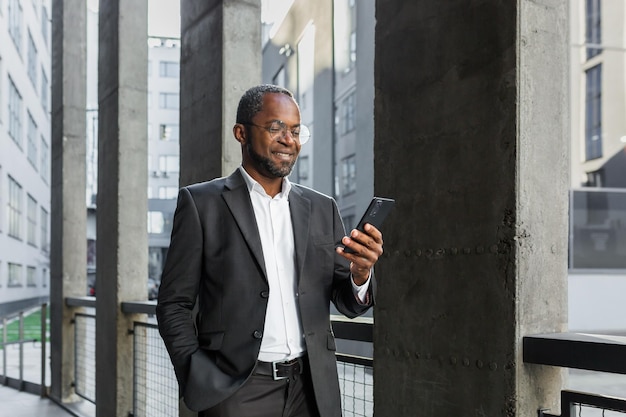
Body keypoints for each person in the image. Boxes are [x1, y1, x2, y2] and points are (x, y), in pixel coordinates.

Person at [156, 84, 384, 417]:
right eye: (275, 128)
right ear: (241, 133)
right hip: (236, 390)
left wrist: (360, 274)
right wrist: (198, 376)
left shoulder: (322, 207)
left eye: (295, 131)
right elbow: (173, 303)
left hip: (311, 389)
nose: (288, 140)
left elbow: (347, 303)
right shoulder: (201, 203)